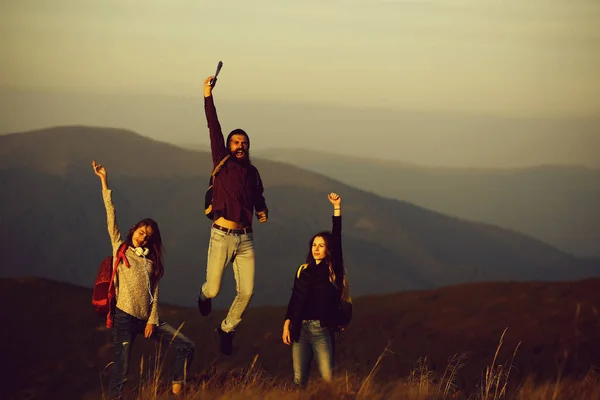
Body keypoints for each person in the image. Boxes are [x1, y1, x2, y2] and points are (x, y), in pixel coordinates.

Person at [92, 160, 195, 399]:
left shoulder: (151, 261)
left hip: (147, 318)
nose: (143, 238)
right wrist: (104, 181)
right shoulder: (121, 248)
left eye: (148, 236)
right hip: (124, 317)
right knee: (122, 370)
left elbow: (154, 293)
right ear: (133, 230)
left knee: (186, 345)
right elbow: (111, 217)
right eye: (141, 232)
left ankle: (178, 385)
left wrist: (152, 320)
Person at [197, 75, 269, 356]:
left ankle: (226, 328)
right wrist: (207, 93)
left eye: (244, 142)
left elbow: (258, 197)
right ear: (227, 146)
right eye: (235, 142)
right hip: (221, 235)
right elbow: (213, 125)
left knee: (247, 292)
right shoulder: (222, 162)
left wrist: (262, 211)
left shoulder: (252, 173)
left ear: (248, 147)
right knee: (214, 291)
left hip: (246, 239)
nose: (240, 145)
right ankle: (203, 295)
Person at [282, 192, 347, 387]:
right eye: (314, 245)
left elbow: (337, 237)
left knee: (328, 378)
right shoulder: (302, 270)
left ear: (328, 249)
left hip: (321, 329)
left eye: (321, 245)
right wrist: (287, 323)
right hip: (299, 329)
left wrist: (336, 208)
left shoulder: (332, 269)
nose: (316, 248)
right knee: (298, 380)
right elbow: (295, 299)